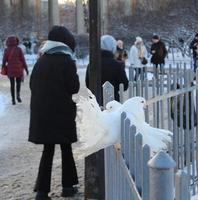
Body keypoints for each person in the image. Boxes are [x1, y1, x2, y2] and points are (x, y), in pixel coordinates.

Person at [29, 26, 80, 200]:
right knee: (66, 150)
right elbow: (74, 87)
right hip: (62, 114)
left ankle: (42, 192)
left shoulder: (41, 60)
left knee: (47, 151)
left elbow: (31, 85)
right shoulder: (66, 61)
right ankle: (68, 186)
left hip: (43, 115)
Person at [85, 35, 128, 199]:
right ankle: (114, 171)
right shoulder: (117, 65)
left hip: (96, 107)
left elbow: (88, 83)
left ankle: (99, 171)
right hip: (113, 108)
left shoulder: (92, 64)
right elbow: (125, 84)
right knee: (113, 139)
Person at [1, 36, 29, 105]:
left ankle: (13, 100)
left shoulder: (6, 50)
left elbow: (4, 60)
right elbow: (23, 60)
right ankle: (18, 96)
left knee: (12, 85)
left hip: (10, 70)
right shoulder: (19, 49)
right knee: (18, 83)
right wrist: (26, 69)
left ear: (8, 42)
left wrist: (3, 67)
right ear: (16, 41)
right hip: (18, 69)